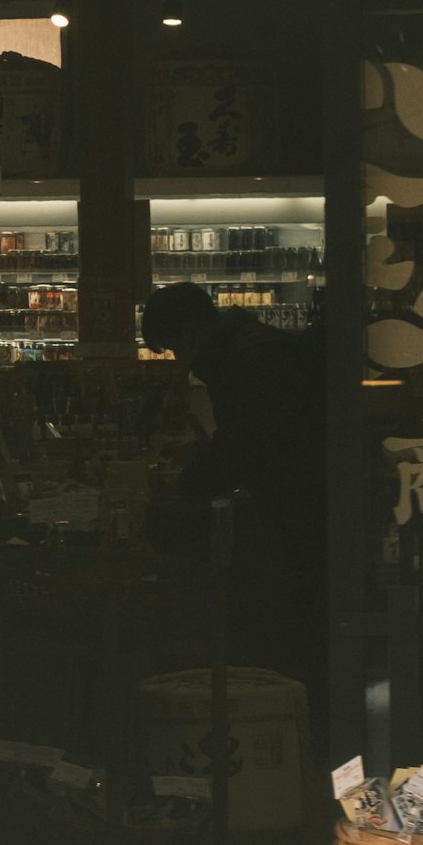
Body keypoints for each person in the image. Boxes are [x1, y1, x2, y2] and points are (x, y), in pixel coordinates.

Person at [140, 281, 325, 685]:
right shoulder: (250, 349)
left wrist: (186, 485)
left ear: (188, 334)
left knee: (294, 632)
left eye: (174, 348)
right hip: (303, 509)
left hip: (303, 516)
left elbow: (247, 443)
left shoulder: (249, 359)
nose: (180, 361)